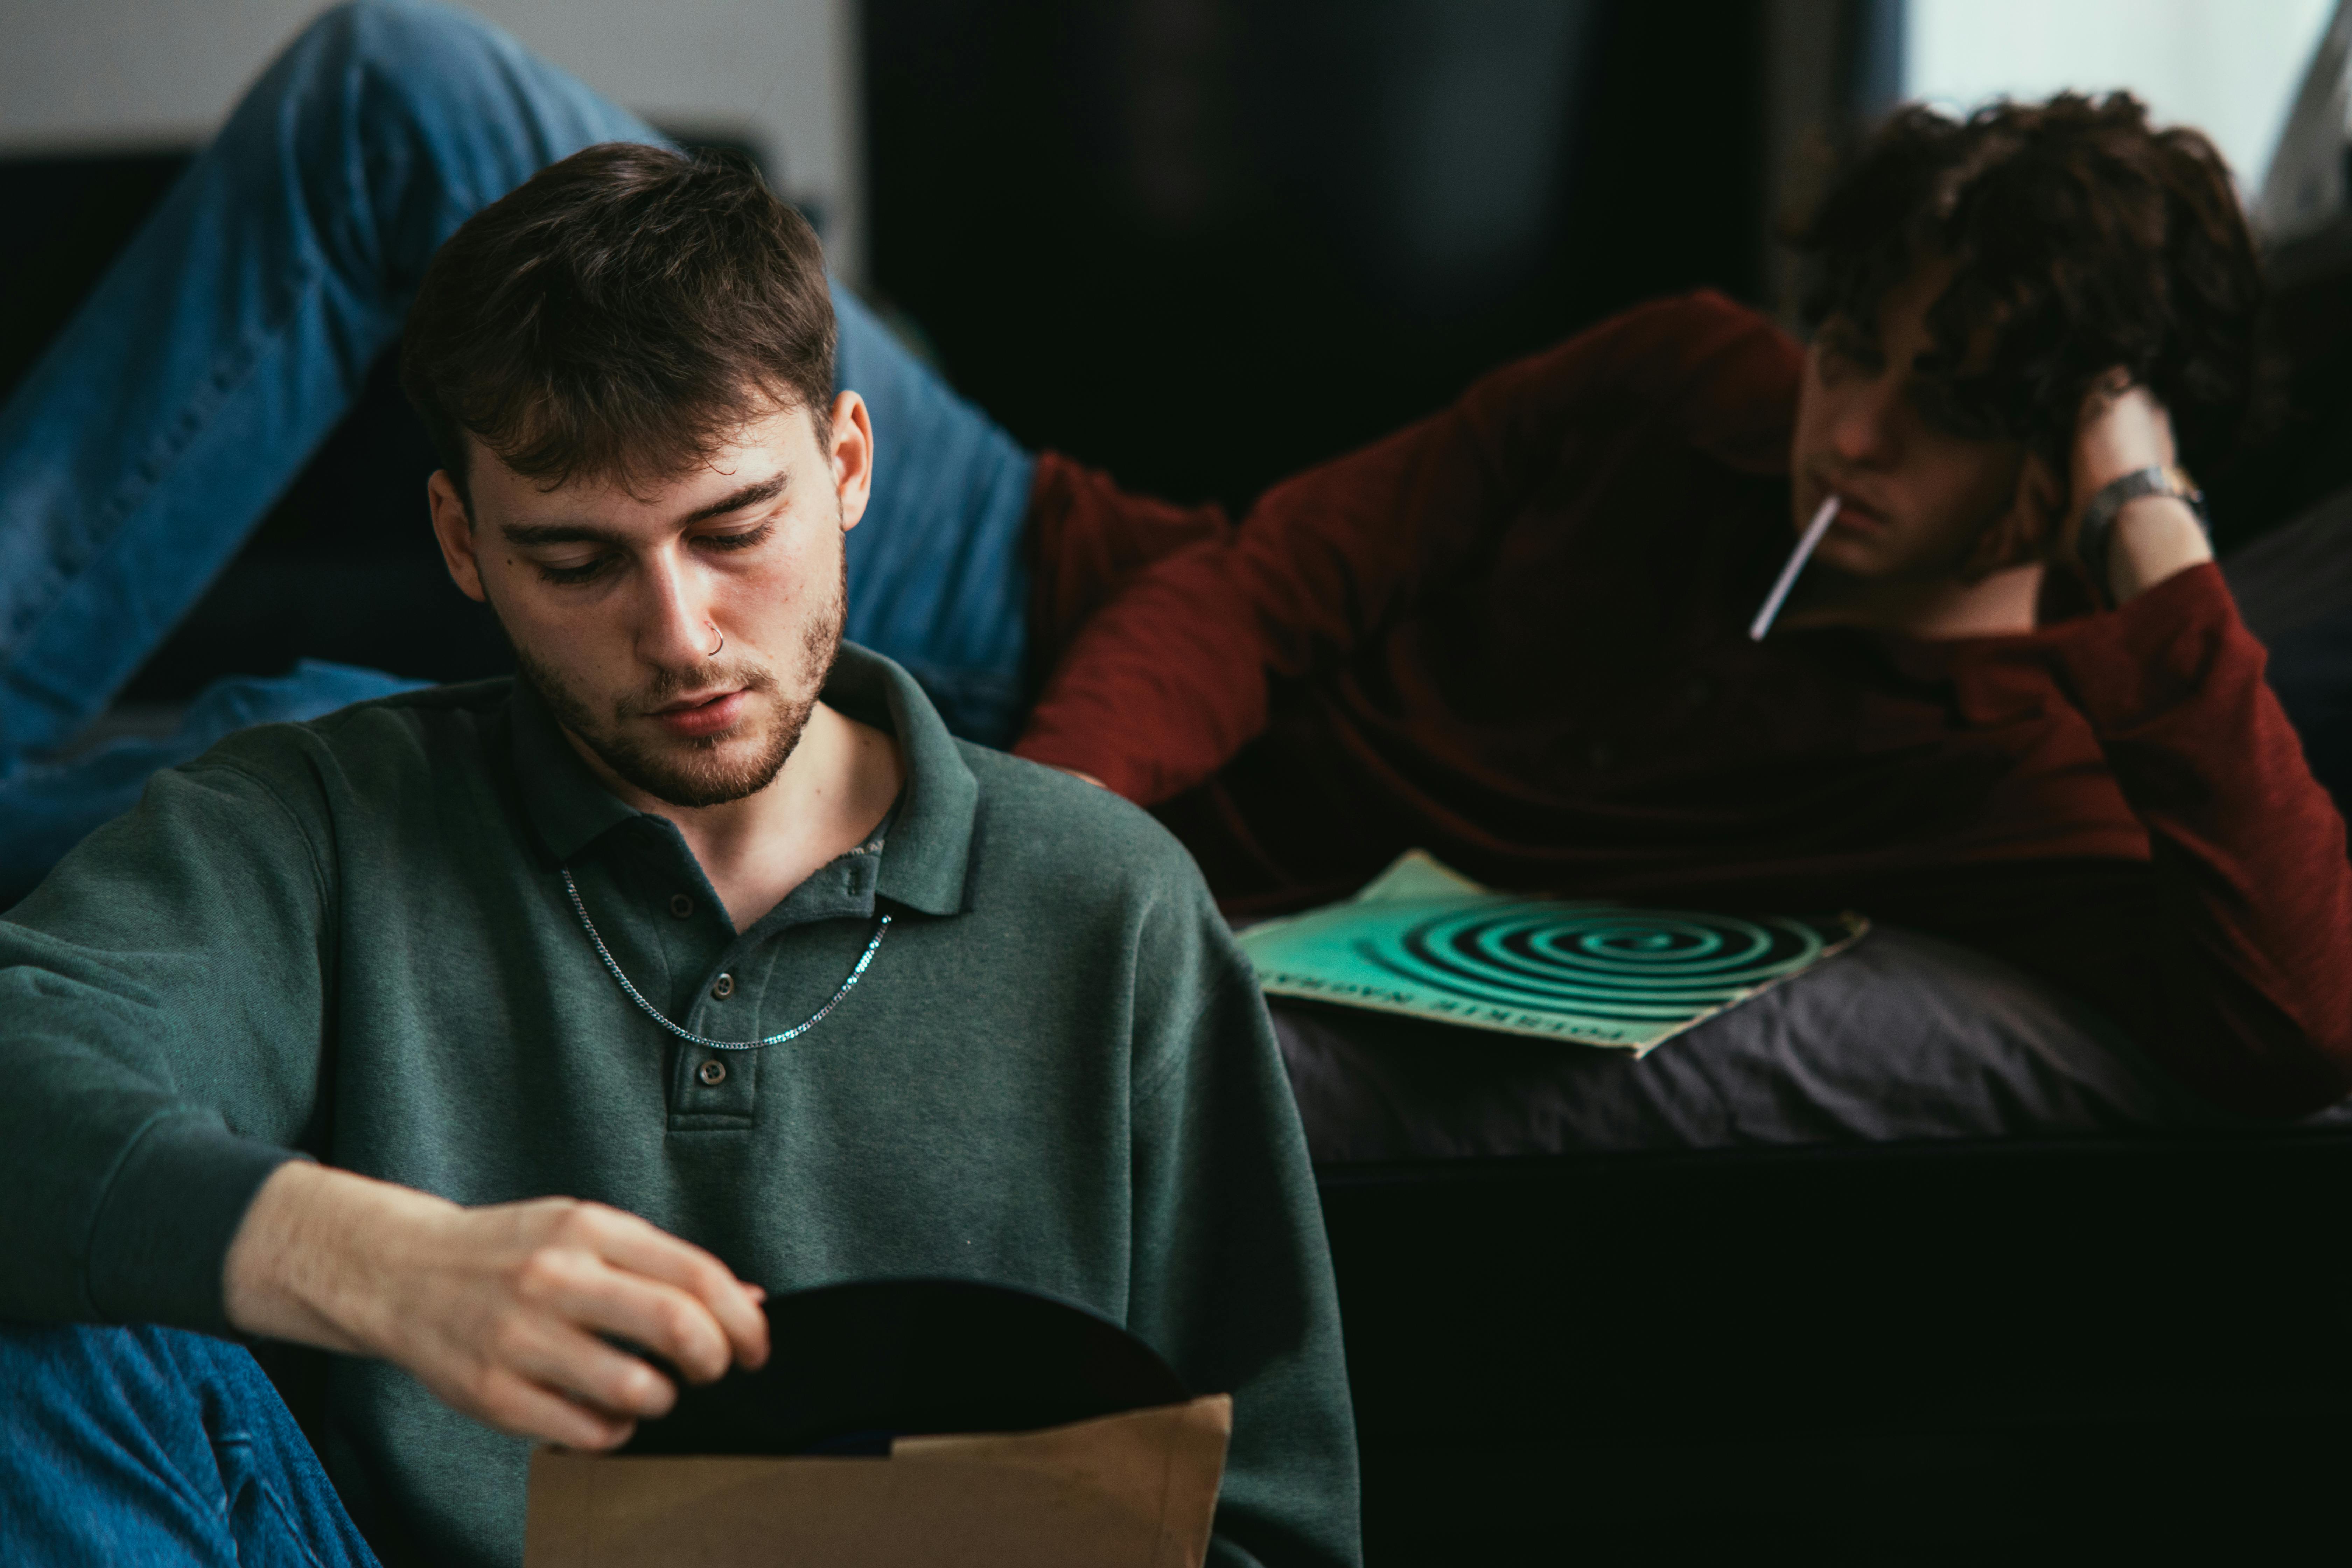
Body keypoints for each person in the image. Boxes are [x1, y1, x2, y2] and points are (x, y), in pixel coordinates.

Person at [0, 8, 1358, 1568]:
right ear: (460, 544)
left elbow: (1276, 1523)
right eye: (575, 560)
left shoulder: (1110, 903)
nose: (680, 634)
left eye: (734, 527)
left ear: (850, 464)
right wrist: (384, 1261)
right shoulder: (311, 824)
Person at [1010, 94, 2352, 1126]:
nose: (1854, 435)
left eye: (1949, 404)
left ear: (2069, 461)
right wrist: (1040, 831)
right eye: (1853, 352)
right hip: (1048, 600)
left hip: (1228, 876)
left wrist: (2148, 526)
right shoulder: (1690, 377)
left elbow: (2301, 1026)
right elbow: (1263, 584)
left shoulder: (2034, 767)